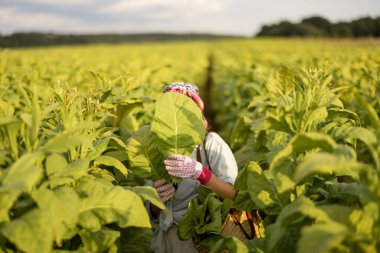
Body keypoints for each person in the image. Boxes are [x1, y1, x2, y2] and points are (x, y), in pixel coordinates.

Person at [147, 82, 238, 253]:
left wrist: (201, 173)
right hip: (165, 244)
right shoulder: (155, 150)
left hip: (202, 243)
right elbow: (151, 214)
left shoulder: (210, 144)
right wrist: (156, 200)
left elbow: (234, 196)